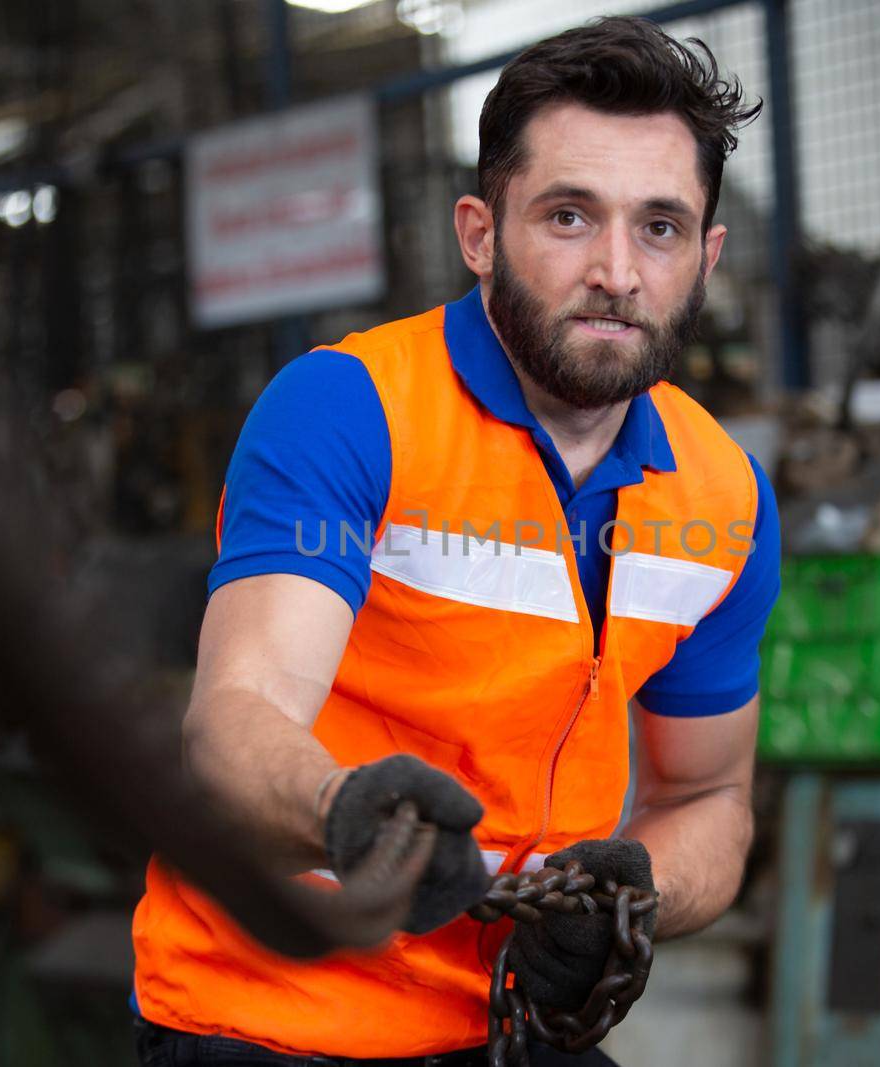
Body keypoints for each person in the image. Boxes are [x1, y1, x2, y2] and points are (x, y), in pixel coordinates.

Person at [132, 16, 780, 1066]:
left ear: (704, 254)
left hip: (508, 1022)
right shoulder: (350, 410)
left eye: (658, 227)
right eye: (569, 216)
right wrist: (344, 810)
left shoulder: (725, 496)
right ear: (479, 233)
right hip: (271, 1010)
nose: (617, 270)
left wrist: (634, 892)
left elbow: (709, 796)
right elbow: (232, 724)